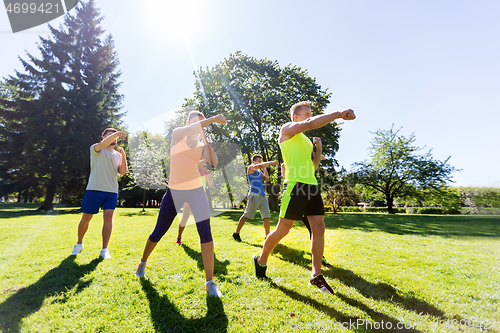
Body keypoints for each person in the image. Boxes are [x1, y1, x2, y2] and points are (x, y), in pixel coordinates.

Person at [253, 101, 355, 294]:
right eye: (306, 114)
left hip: (312, 185)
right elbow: (310, 124)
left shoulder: (306, 140)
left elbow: (314, 164)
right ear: (295, 117)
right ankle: (261, 259)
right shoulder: (287, 130)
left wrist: (318, 147)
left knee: (319, 227)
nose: (309, 117)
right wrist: (338, 114)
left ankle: (316, 275)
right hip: (295, 185)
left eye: (310, 113)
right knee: (284, 229)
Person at [135, 111, 227, 298]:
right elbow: (190, 129)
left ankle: (209, 282)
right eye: (196, 122)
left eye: (202, 123)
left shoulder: (201, 145)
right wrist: (212, 120)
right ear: (187, 123)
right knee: (159, 231)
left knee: (206, 233)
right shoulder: (178, 135)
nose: (200, 125)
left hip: (196, 191)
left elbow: (214, 161)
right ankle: (143, 262)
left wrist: (205, 138)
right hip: (174, 191)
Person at [70, 128, 128, 259]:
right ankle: (79, 244)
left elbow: (123, 172)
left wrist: (123, 155)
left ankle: (104, 249)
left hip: (111, 191)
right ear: (103, 137)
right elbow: (102, 145)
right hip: (94, 189)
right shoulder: (96, 149)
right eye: (110, 135)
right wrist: (117, 133)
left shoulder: (117, 155)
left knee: (108, 218)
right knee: (86, 218)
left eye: (115, 137)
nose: (114, 138)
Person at [281, 157, 333, 269]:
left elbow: (316, 159)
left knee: (314, 228)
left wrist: (318, 155)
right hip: (296, 193)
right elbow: (283, 165)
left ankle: (320, 258)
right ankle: (264, 254)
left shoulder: (307, 162)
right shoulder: (292, 160)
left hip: (309, 195)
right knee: (283, 228)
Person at [231, 155, 279, 242]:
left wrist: (264, 169)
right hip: (254, 195)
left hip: (263, 196)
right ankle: (236, 233)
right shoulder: (251, 168)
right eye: (258, 161)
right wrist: (271, 162)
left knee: (266, 216)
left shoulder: (259, 171)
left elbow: (267, 179)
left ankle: (267, 237)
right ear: (254, 161)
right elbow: (260, 166)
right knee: (246, 215)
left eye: (261, 161)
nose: (260, 162)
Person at [176, 160, 214, 245]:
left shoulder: (206, 172)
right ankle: (179, 237)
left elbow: (210, 184)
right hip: (189, 198)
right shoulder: (193, 171)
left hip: (200, 199)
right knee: (185, 218)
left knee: (202, 220)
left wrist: (207, 174)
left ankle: (205, 240)